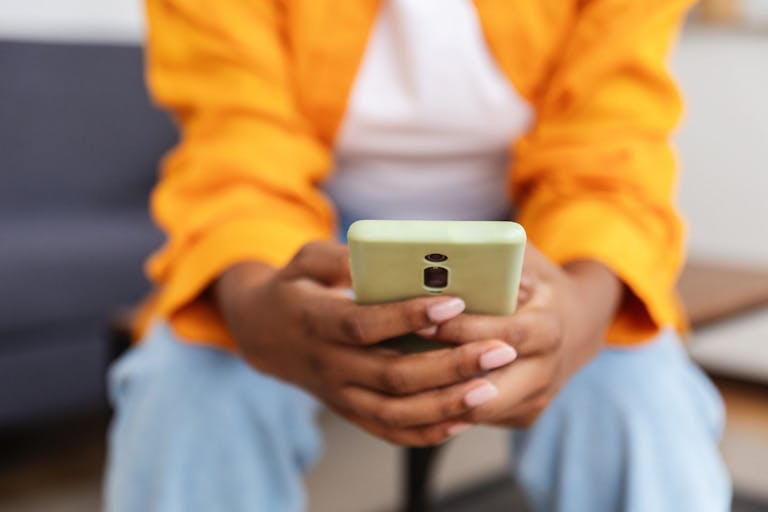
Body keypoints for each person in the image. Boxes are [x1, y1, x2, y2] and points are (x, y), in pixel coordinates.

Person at [105, 0, 731, 510]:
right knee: (187, 396)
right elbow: (235, 148)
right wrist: (252, 305)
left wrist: (582, 310)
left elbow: (609, 150)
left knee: (640, 401)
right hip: (305, 231)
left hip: (541, 231)